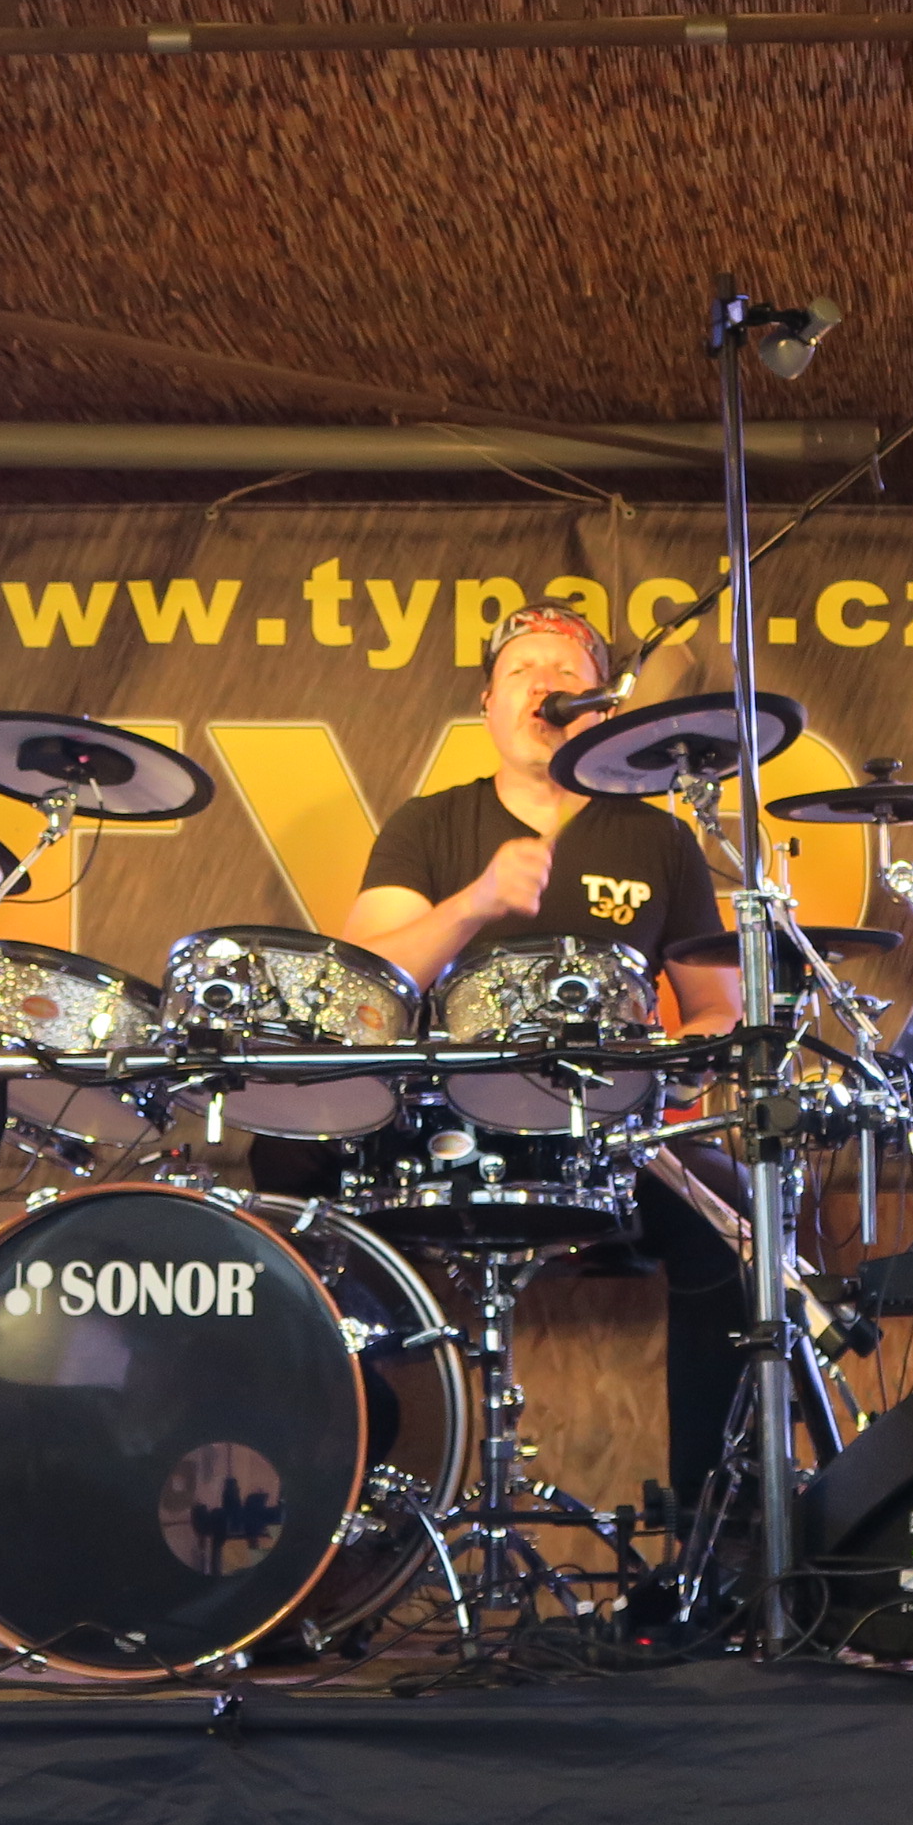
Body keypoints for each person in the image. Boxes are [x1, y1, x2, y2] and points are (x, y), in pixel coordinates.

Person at [343, 602, 748, 1511]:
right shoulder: (430, 824)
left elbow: (716, 1008)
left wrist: (688, 1055)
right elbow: (367, 986)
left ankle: (712, 1529)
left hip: (610, 1139)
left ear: (602, 710)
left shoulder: (658, 838)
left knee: (736, 1229)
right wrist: (476, 903)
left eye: (566, 674)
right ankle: (365, 1516)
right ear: (488, 704)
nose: (544, 687)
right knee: (316, 1206)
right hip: (449, 1130)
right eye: (521, 671)